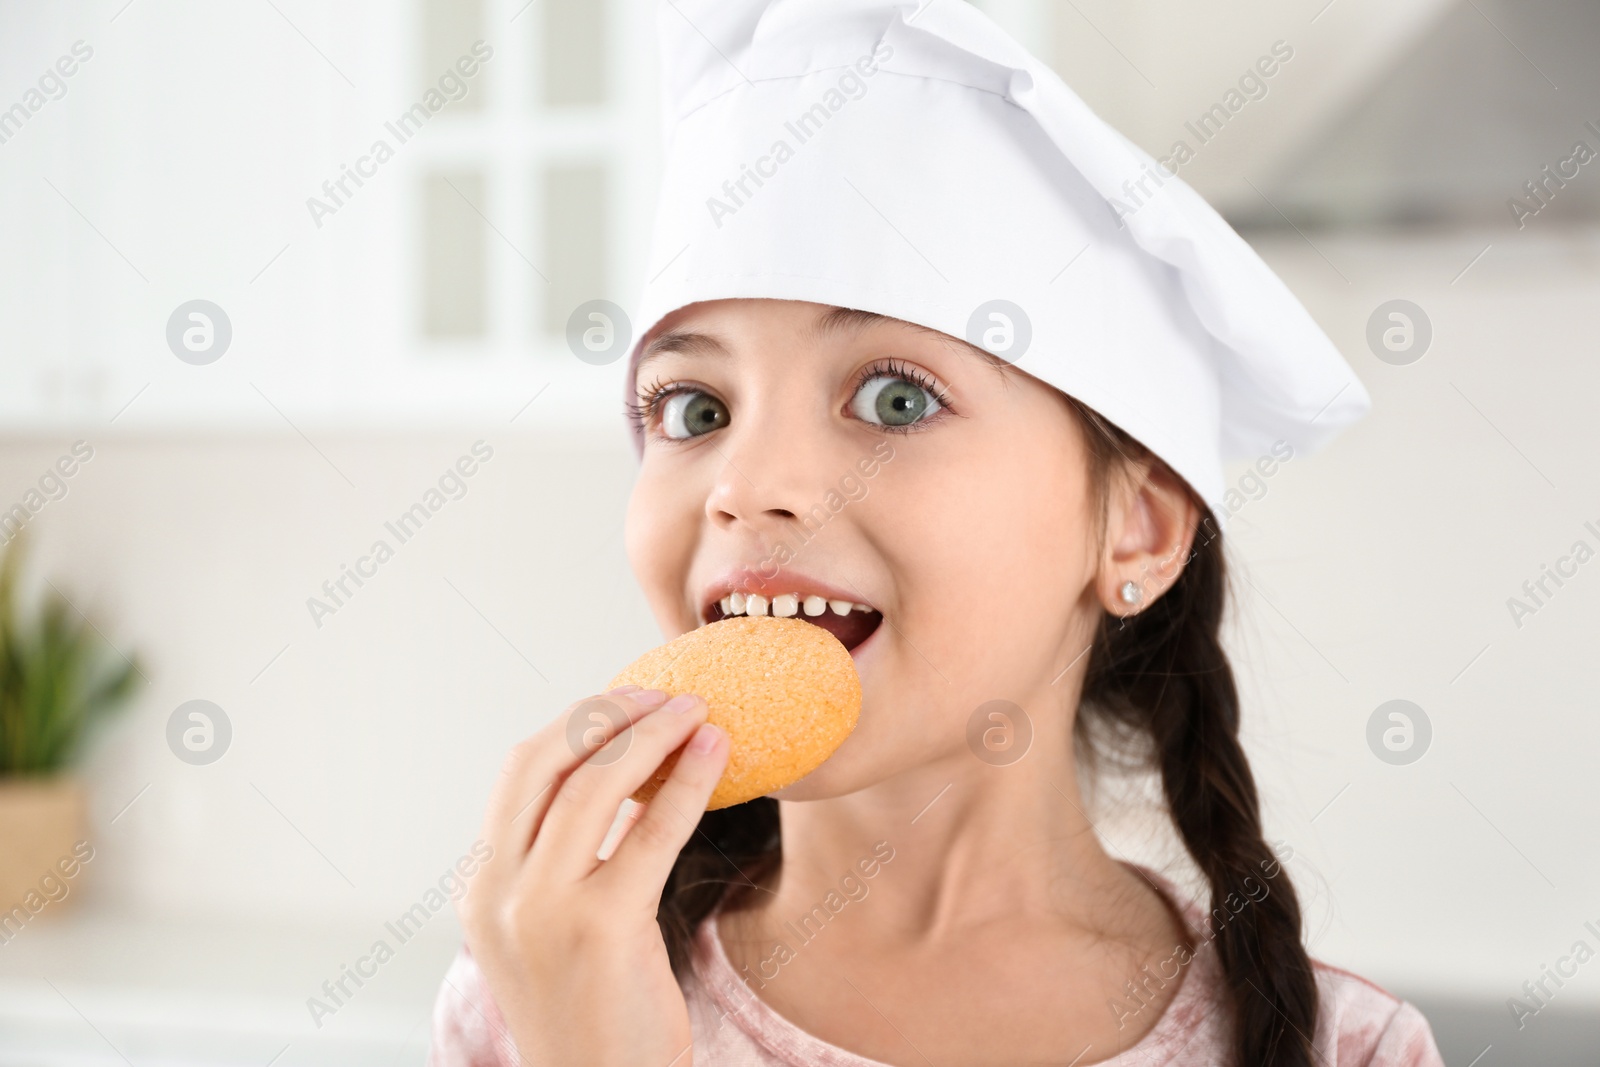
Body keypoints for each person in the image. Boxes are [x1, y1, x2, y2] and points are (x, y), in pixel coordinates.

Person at [429, 3, 1445, 1064]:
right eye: (693, 408)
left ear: (1135, 528)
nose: (746, 485)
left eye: (894, 400)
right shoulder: (534, 998)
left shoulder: (1349, 1047)